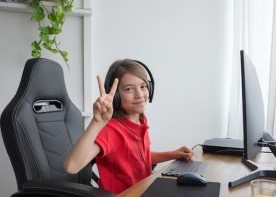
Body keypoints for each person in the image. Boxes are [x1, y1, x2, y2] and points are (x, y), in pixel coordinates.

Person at [64, 59, 193, 194]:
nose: (139, 95)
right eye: (129, 89)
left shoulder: (140, 119)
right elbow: (71, 167)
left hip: (144, 190)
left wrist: (174, 154)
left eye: (143, 86)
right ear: (116, 97)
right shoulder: (110, 130)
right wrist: (97, 122)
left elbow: (140, 157)